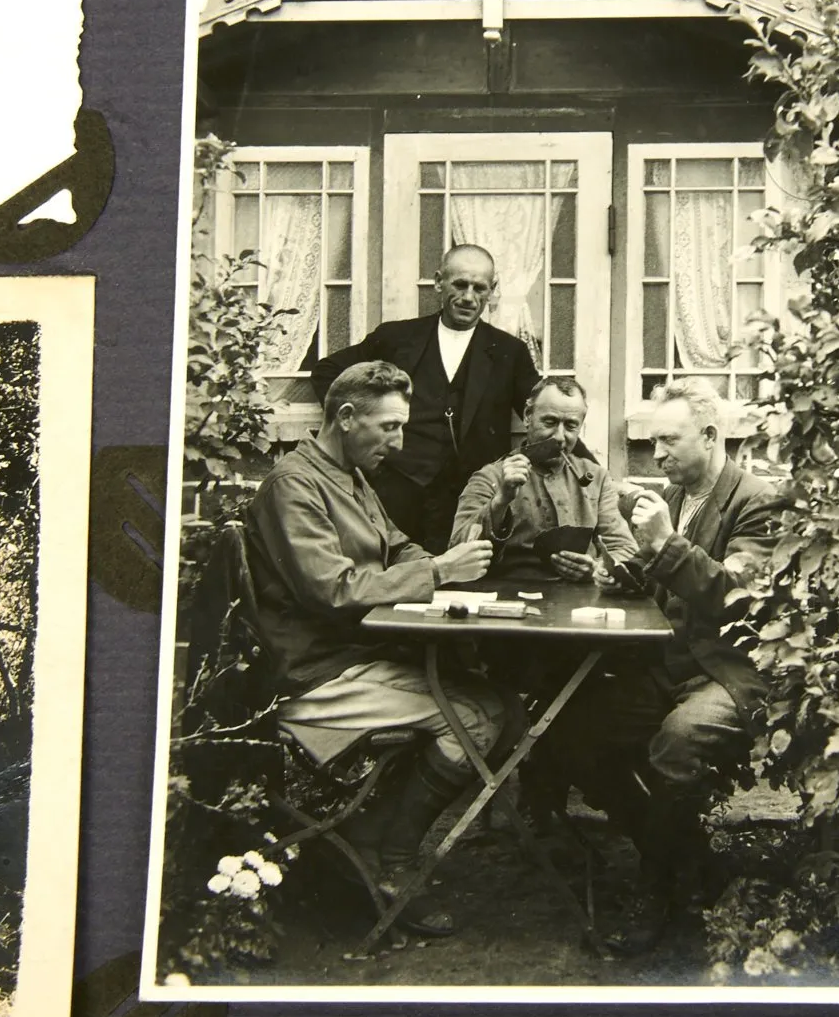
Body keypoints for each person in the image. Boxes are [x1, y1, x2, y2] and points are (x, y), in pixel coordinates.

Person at [244, 360, 506, 938]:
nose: (399, 441)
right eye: (388, 427)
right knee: (476, 716)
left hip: (348, 658)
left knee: (489, 696)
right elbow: (333, 590)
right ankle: (387, 859)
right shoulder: (295, 485)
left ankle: (367, 839)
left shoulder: (348, 475)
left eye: (402, 427)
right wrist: (439, 571)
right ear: (345, 417)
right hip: (311, 677)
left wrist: (433, 568)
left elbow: (398, 546)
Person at [536, 377, 787, 955]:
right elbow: (663, 584)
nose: (659, 455)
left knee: (678, 742)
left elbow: (738, 599)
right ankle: (681, 858)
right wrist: (622, 577)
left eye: (670, 441)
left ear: (710, 434)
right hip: (672, 665)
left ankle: (657, 888)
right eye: (653, 444)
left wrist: (664, 543)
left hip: (730, 670)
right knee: (571, 731)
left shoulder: (757, 502)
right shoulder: (674, 498)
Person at [310, 245, 540, 554]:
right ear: (438, 282)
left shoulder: (509, 352)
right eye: (459, 284)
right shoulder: (397, 338)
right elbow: (328, 372)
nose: (468, 297)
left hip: (470, 502)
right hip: (397, 493)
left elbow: (541, 412)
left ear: (492, 290)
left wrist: (588, 472)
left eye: (479, 288)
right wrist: (362, 421)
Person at [448, 377, 639, 581]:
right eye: (550, 422)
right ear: (527, 417)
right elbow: (458, 550)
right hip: (509, 598)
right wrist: (501, 501)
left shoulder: (597, 478)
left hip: (579, 602)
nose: (559, 436)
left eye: (571, 426)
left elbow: (624, 548)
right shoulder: (490, 477)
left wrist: (597, 569)